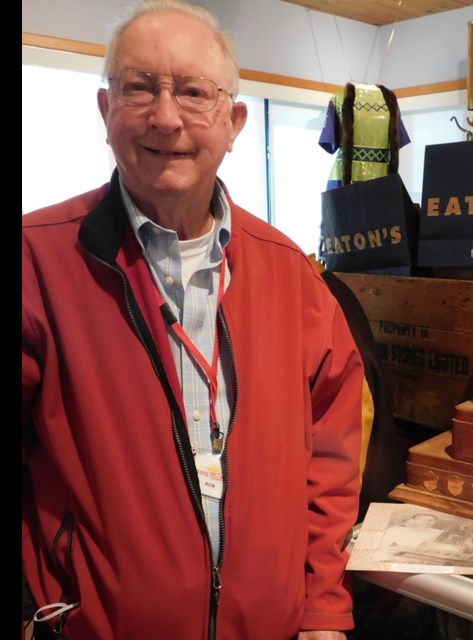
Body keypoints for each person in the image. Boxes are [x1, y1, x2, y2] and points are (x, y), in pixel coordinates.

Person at [21, 2, 366, 639]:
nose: (166, 116)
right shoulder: (37, 260)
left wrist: (321, 611)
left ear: (233, 122)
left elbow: (331, 462)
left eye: (192, 92)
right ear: (105, 111)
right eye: (139, 87)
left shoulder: (292, 276)